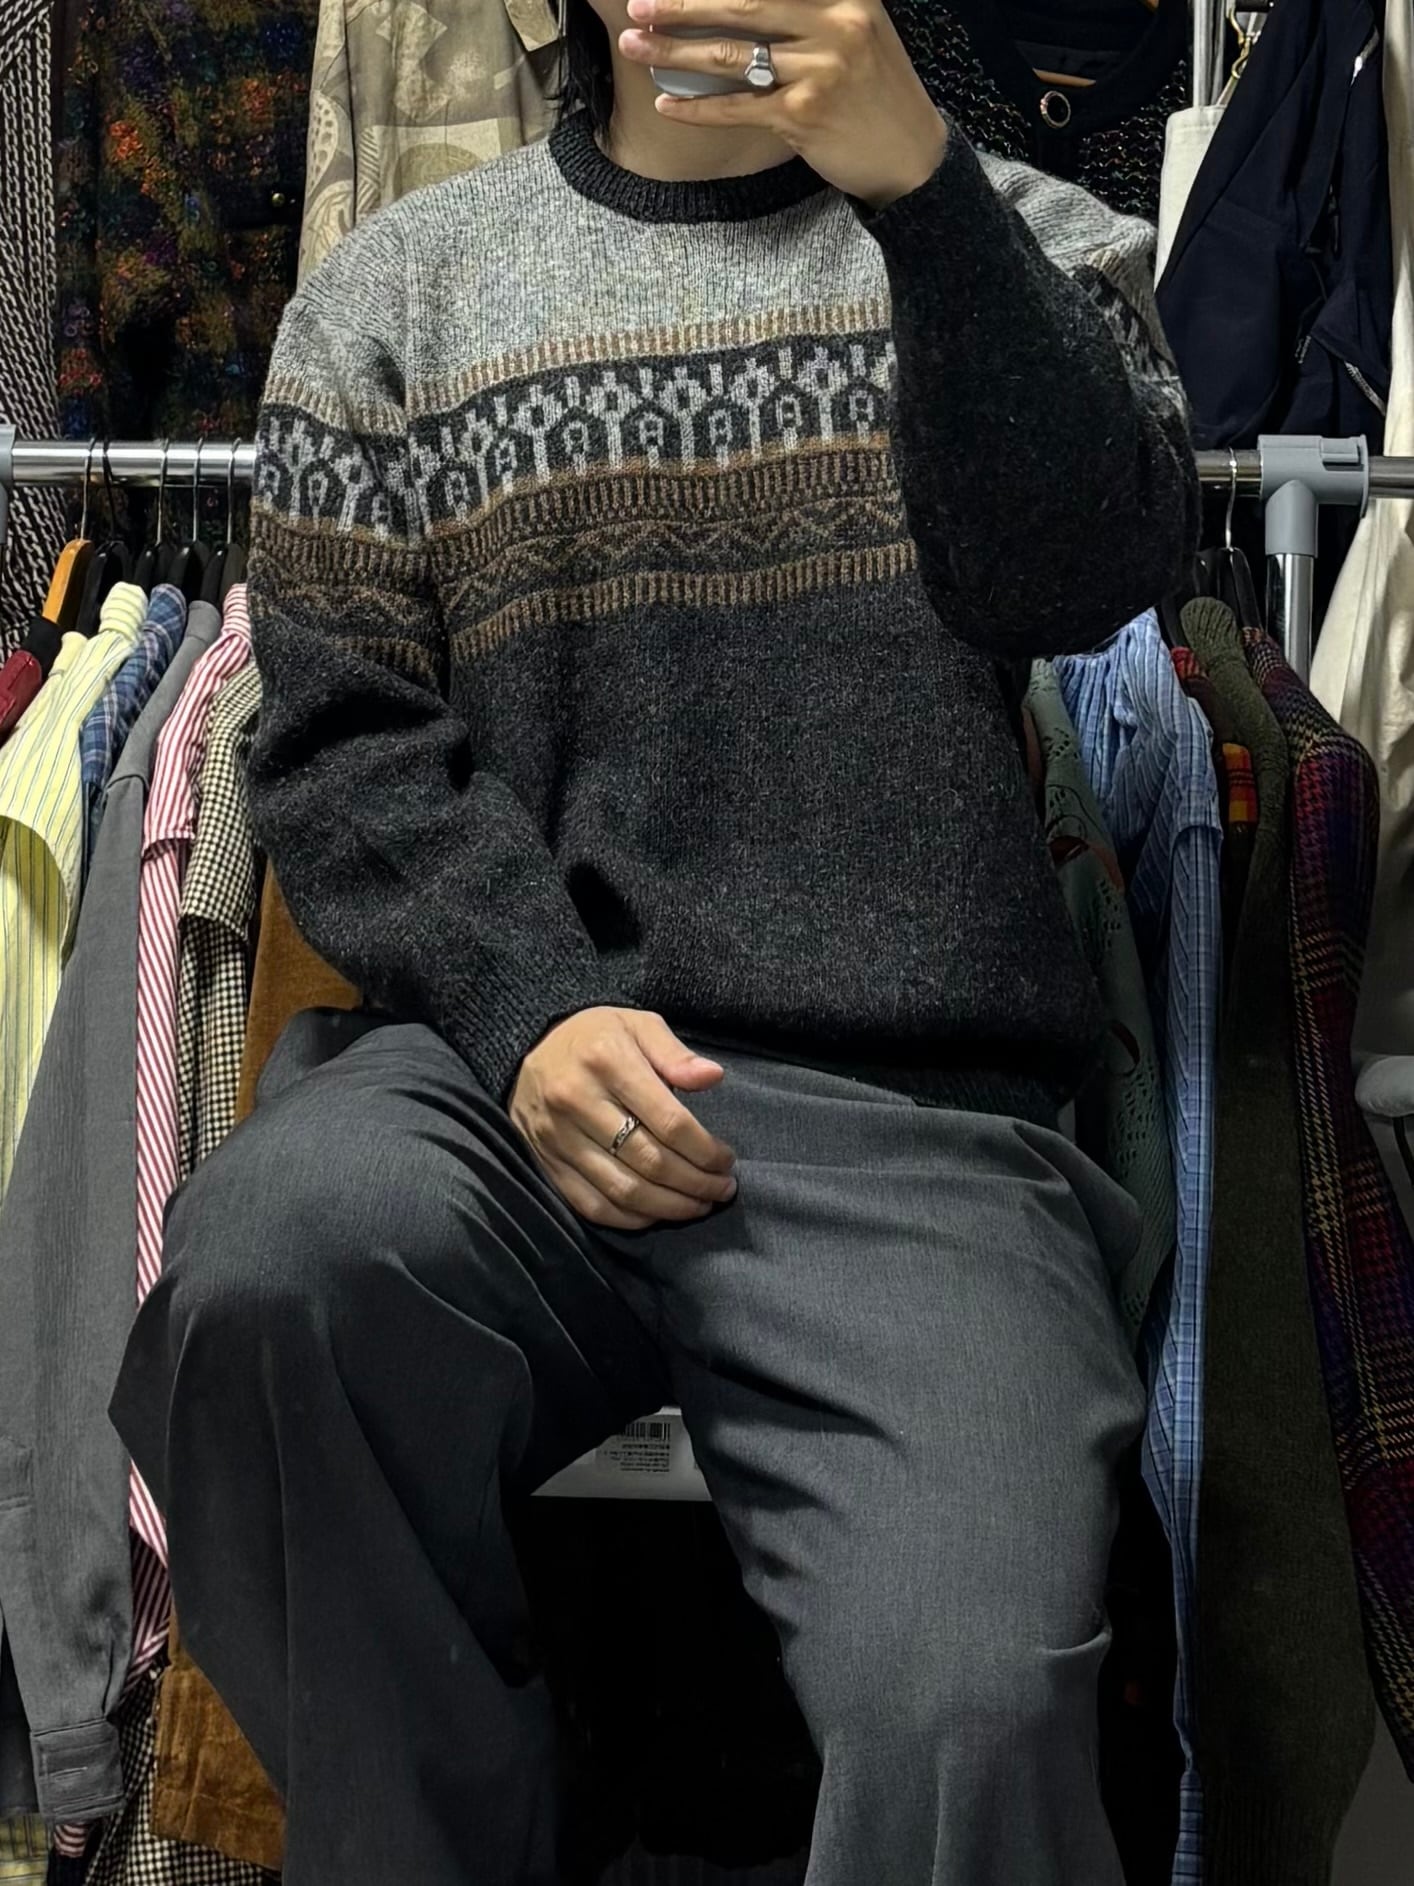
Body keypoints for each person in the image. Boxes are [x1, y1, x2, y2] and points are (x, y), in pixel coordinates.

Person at [111, 0, 1199, 1878]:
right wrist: (527, 1010)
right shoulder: (395, 295)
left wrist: (923, 196)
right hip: (507, 1093)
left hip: (915, 1126)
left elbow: (1086, 573)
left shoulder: (1035, 242)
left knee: (972, 1694)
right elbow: (338, 736)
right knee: (261, 1269)